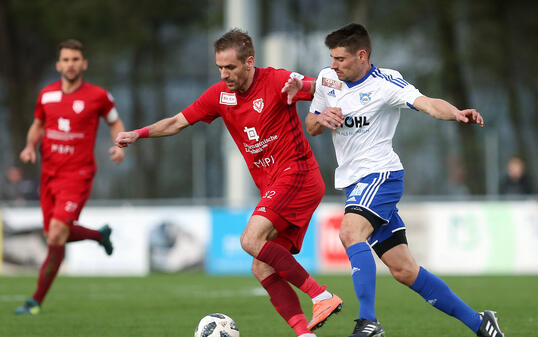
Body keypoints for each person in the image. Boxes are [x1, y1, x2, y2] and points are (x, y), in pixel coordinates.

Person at [115, 29, 342, 337]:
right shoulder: (219, 96)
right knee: (261, 266)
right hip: (276, 184)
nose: (224, 74)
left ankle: (321, 296)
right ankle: (305, 334)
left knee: (249, 240)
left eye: (230, 67)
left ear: (250, 62)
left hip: (298, 174)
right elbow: (176, 122)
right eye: (220, 67)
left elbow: (328, 85)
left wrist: (305, 85)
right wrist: (137, 134)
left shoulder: (276, 80)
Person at [291, 23, 504, 337]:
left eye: (341, 59)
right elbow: (311, 124)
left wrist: (455, 112)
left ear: (362, 55)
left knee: (350, 233)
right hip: (354, 183)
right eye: (333, 58)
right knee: (405, 270)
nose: (334, 65)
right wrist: (320, 118)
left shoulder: (386, 83)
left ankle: (368, 322)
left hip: (380, 175)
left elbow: (428, 103)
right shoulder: (327, 79)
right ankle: (480, 323)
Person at [16, 39, 125, 315]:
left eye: (75, 59)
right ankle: (99, 236)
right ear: (58, 64)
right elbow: (38, 124)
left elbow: (114, 122)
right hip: (49, 174)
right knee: (54, 236)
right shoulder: (47, 95)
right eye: (65, 59)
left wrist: (119, 145)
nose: (70, 64)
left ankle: (35, 302)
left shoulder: (99, 95)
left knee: (56, 233)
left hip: (78, 174)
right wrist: (30, 147)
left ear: (84, 64)